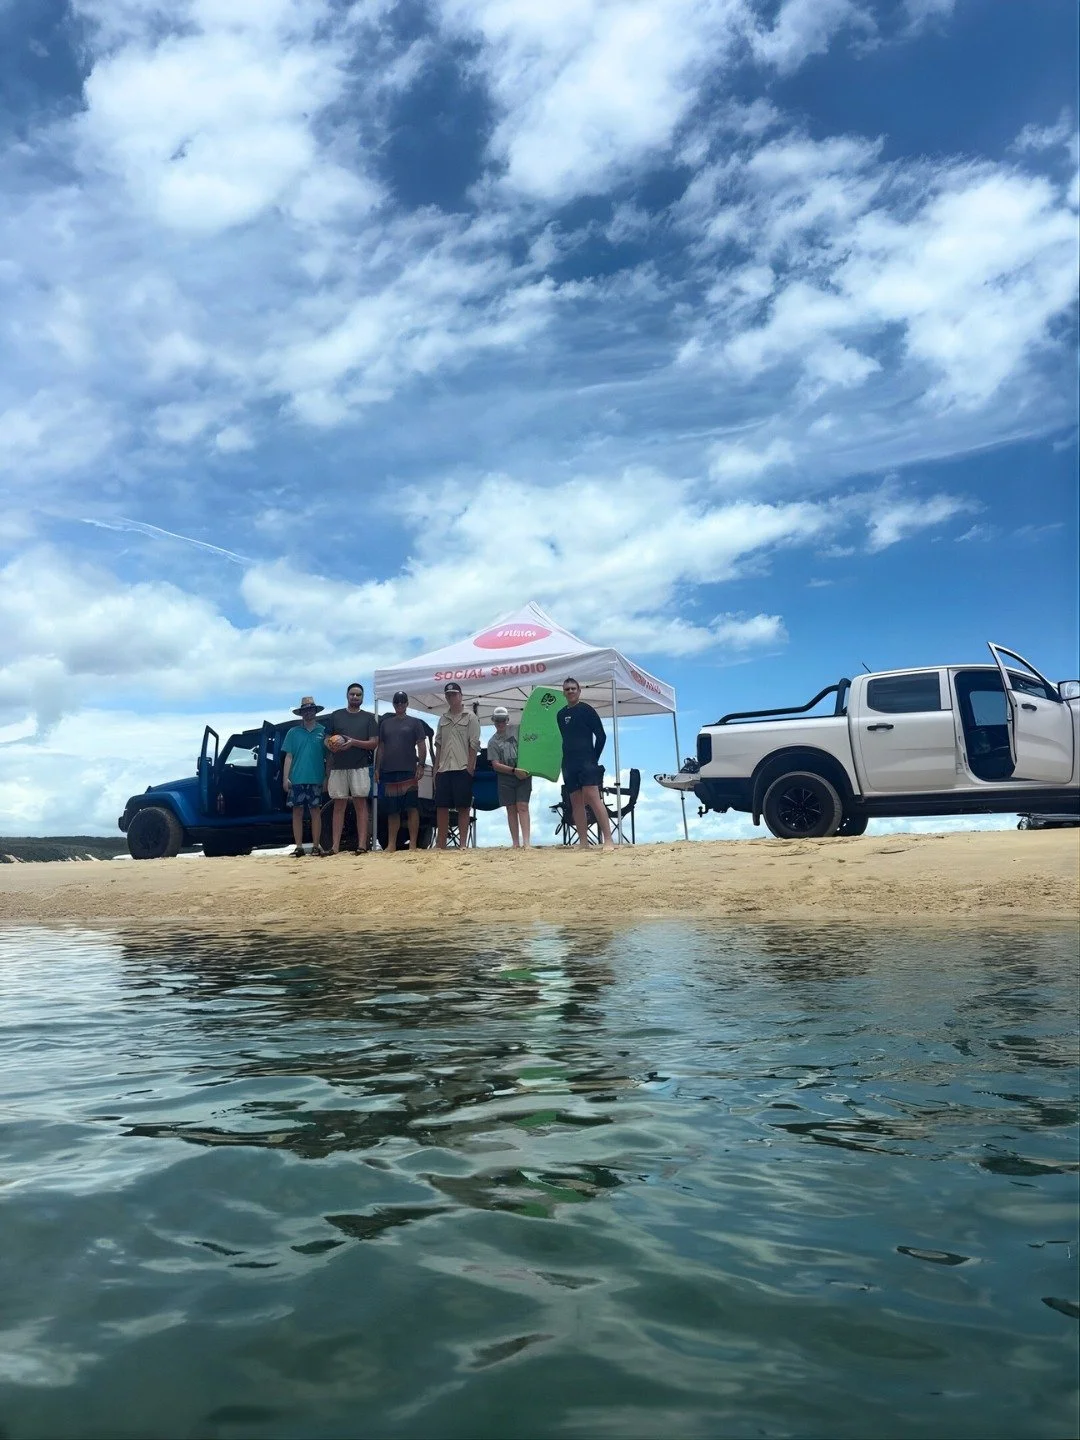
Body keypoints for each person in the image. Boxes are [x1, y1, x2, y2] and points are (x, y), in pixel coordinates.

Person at [557, 677, 614, 849]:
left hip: (587, 761)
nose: (570, 691)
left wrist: (593, 759)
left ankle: (609, 840)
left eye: (573, 688)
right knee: (575, 802)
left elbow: (601, 736)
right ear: (563, 692)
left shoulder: (587, 710)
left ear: (579, 690)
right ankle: (583, 842)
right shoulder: (560, 714)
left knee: (594, 798)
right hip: (568, 763)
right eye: (567, 689)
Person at [325, 682, 378, 855]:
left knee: (360, 804)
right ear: (347, 696)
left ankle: (362, 845)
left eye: (358, 695)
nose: (355, 697)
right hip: (338, 767)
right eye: (352, 694)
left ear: (362, 698)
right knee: (338, 805)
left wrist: (353, 742)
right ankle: (334, 847)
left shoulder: (369, 718)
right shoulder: (336, 716)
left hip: (360, 766)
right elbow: (326, 739)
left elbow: (374, 743)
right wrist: (331, 745)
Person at [375, 691, 428, 852]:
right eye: (397, 702)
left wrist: (421, 765)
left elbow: (421, 745)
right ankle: (391, 844)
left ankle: (412, 843)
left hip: (409, 770)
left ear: (407, 704)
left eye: (402, 702)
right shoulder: (385, 724)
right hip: (389, 771)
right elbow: (381, 748)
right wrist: (377, 768)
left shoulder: (415, 723)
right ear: (393, 704)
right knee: (392, 810)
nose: (400, 705)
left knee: (411, 807)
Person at [434, 682, 480, 848]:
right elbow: (438, 744)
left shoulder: (471, 717)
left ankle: (462, 844)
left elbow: (473, 745)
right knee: (441, 806)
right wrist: (435, 770)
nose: (451, 697)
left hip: (462, 767)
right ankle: (441, 844)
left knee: (463, 806)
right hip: (444, 767)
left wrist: (470, 768)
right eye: (448, 695)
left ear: (461, 695)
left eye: (454, 694)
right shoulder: (442, 718)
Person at [281, 696, 328, 857]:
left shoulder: (323, 732)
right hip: (296, 779)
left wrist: (327, 777)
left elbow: (328, 757)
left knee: (316, 811)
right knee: (297, 812)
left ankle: (316, 846)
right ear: (301, 713)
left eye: (310, 709)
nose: (308, 712)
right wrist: (285, 777)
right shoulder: (293, 732)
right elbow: (289, 756)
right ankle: (299, 846)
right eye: (305, 710)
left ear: (315, 711)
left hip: (316, 777)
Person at [487, 705, 532, 847]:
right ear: (493, 721)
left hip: (523, 774)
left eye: (502, 720)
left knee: (523, 806)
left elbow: (531, 742)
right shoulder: (492, 742)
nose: (500, 723)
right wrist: (513, 770)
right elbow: (495, 764)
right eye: (497, 720)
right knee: (511, 808)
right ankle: (515, 843)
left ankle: (526, 842)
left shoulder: (518, 729)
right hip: (506, 777)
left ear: (507, 720)